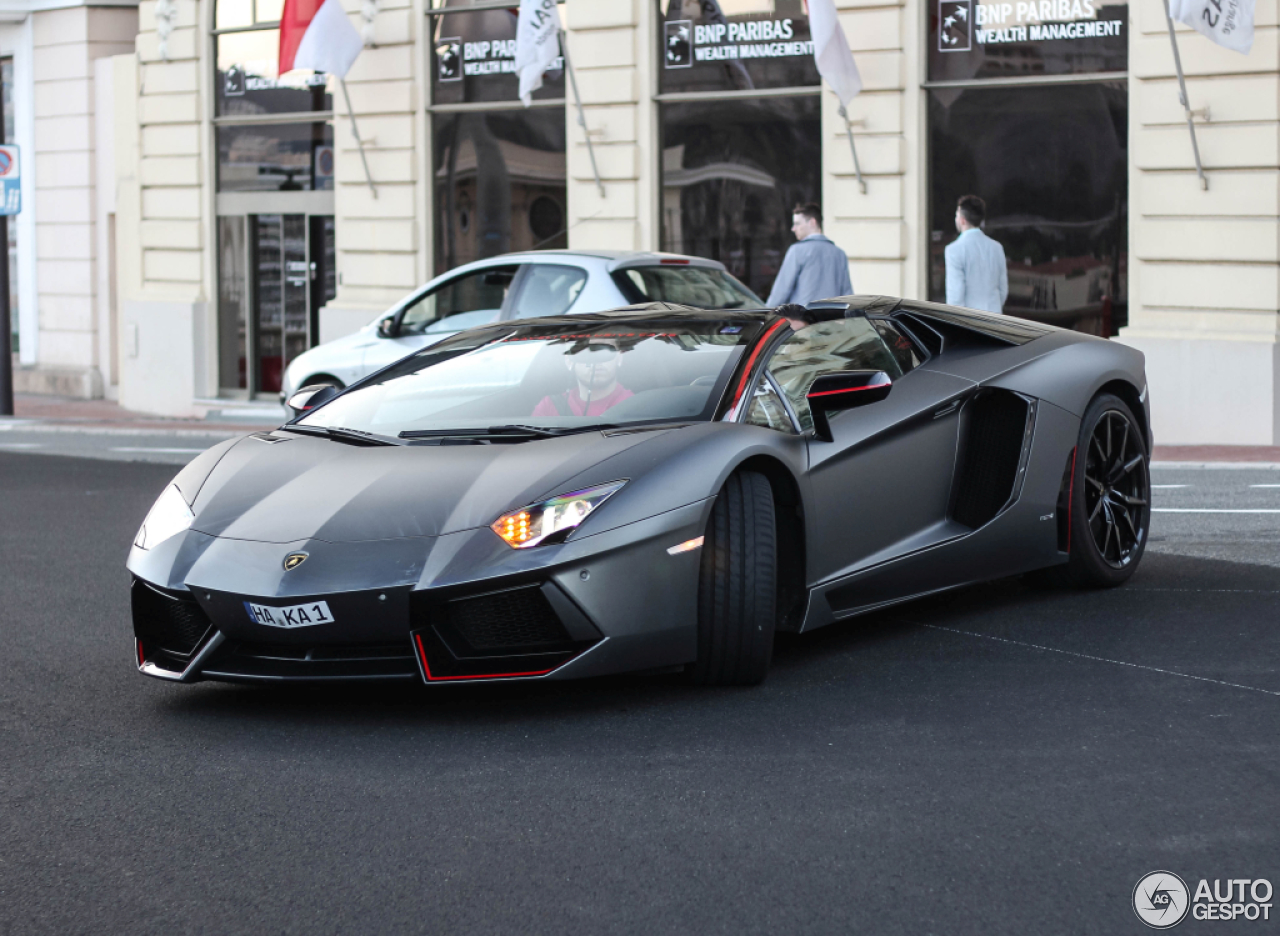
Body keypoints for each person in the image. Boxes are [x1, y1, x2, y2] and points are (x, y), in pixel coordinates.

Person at [766, 203, 853, 307]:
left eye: (797, 223)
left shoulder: (797, 251)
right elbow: (847, 295)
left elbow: (781, 291)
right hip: (832, 320)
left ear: (812, 223)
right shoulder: (839, 254)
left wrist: (766, 315)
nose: (793, 228)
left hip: (803, 320)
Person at [531, 340, 633, 418]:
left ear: (619, 357)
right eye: (585, 353)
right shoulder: (549, 406)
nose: (596, 361)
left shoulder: (637, 406)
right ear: (569, 361)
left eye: (604, 351)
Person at [944, 194, 1008, 315]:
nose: (955, 219)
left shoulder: (954, 250)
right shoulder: (997, 248)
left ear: (962, 220)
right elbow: (1003, 290)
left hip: (969, 325)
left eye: (956, 215)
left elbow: (955, 296)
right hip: (995, 321)